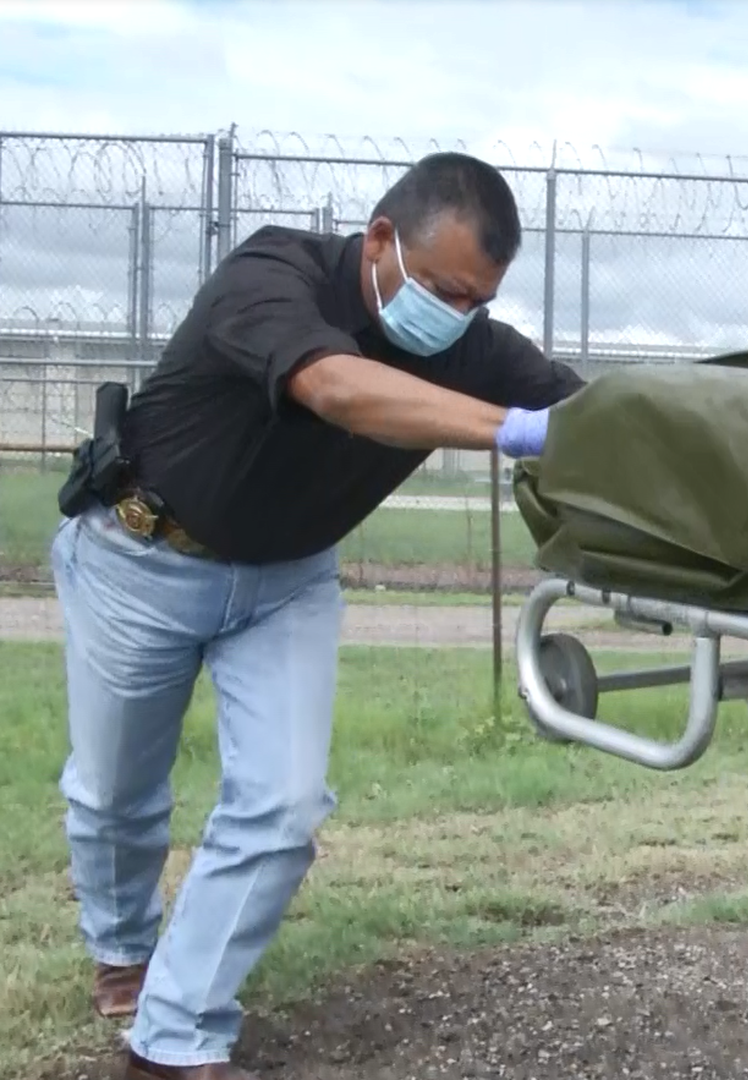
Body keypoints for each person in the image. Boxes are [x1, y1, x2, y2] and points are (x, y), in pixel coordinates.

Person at [50, 151, 586, 1080]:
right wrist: (511, 429)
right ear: (381, 241)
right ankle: (125, 945)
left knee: (284, 806)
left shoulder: (473, 344)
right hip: (142, 555)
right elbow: (334, 388)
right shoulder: (272, 273)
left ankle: (174, 1036)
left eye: (479, 300)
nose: (458, 319)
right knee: (115, 797)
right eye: (445, 289)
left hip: (287, 583)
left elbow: (597, 417)